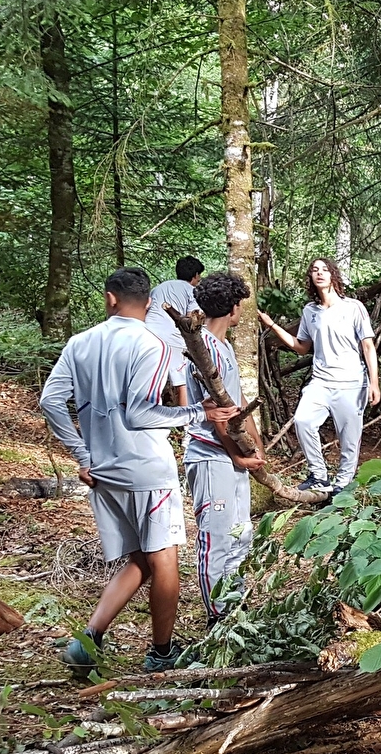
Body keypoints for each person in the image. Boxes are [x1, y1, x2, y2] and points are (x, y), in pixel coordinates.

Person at [40, 267, 239, 674]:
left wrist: (82, 455)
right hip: (146, 467)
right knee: (164, 559)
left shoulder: (80, 343)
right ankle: (162, 652)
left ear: (110, 298)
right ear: (149, 303)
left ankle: (87, 642)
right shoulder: (152, 344)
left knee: (141, 559)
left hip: (103, 470)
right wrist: (197, 413)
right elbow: (141, 413)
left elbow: (50, 401)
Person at [258, 258, 380, 496]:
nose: (320, 273)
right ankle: (319, 475)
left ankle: (343, 484)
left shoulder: (353, 307)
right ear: (311, 278)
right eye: (315, 270)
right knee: (303, 421)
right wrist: (272, 324)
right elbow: (302, 347)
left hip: (351, 383)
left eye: (325, 269)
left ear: (334, 275)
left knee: (349, 438)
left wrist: (374, 382)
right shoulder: (310, 311)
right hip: (321, 382)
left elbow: (368, 346)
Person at [184, 271, 265, 627]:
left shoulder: (225, 347)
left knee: (240, 536)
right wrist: (235, 454)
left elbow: (237, 402)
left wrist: (255, 444)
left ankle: (237, 612)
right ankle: (218, 620)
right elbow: (216, 412)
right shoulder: (200, 348)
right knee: (216, 540)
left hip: (232, 458)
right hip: (209, 457)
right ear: (233, 308)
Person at [144, 256, 205, 406]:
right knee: (181, 382)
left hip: (147, 334)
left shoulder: (159, 288)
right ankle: (185, 422)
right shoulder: (192, 291)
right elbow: (192, 319)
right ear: (195, 275)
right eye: (199, 276)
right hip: (172, 337)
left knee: (150, 378)